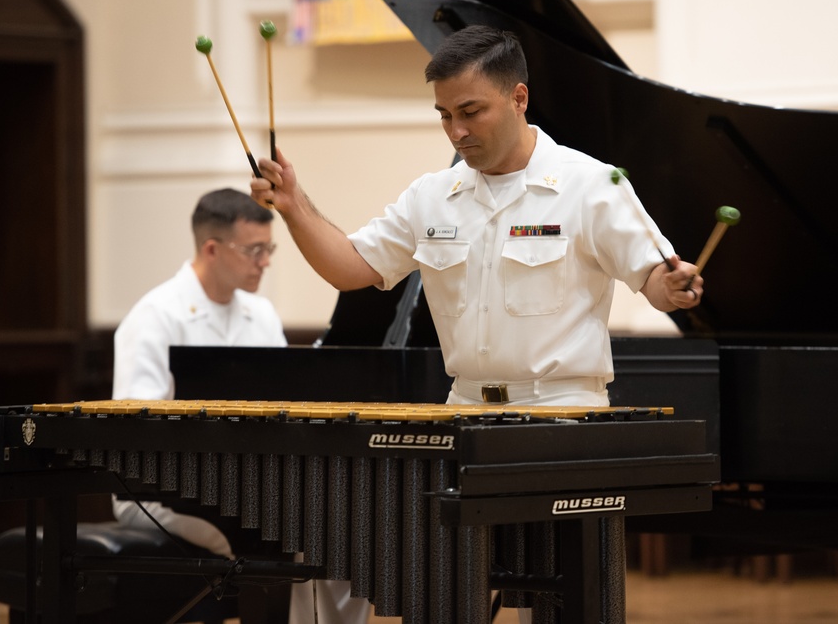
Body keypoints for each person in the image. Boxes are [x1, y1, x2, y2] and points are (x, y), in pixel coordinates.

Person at [250, 24, 703, 411]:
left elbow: (656, 285)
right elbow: (347, 267)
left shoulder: (592, 185)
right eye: (445, 115)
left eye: (471, 112)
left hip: (562, 413)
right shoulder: (432, 195)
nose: (457, 131)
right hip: (464, 410)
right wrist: (293, 205)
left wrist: (673, 286)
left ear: (518, 98)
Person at [111, 187, 368, 624]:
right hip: (168, 493)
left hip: (246, 484)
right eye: (254, 250)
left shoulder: (261, 313)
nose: (265, 261)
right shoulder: (154, 316)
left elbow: (283, 408)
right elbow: (136, 434)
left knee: (346, 531)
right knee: (275, 538)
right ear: (212, 249)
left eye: (269, 248)